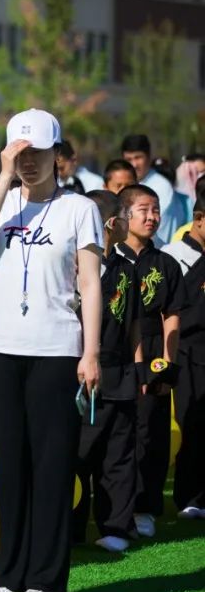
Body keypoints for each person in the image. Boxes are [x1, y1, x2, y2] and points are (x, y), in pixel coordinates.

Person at [0, 108, 103, 592]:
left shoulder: (79, 209)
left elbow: (90, 283)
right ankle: (9, 576)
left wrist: (90, 351)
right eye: (19, 154)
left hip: (56, 350)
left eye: (37, 153)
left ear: (58, 154)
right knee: (9, 467)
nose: (28, 163)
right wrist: (3, 177)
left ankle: (47, 581)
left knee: (50, 469)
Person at [113, 184, 185, 538]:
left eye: (156, 210)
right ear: (124, 214)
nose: (153, 217)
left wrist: (168, 362)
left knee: (152, 430)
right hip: (116, 351)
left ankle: (146, 506)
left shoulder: (165, 263)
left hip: (155, 350)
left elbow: (172, 315)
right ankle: (114, 508)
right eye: (144, 209)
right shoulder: (109, 260)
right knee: (118, 433)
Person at [73, 190, 143, 554]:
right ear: (112, 223)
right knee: (77, 454)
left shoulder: (127, 269)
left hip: (120, 373)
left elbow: (133, 324)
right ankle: (70, 527)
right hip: (77, 373)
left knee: (118, 454)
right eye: (124, 216)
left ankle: (115, 526)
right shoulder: (70, 267)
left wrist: (139, 369)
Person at [162, 188, 205, 518]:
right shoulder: (173, 255)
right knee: (192, 422)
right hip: (187, 352)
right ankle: (190, 496)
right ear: (199, 220)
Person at [122, 134, 188, 243]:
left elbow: (162, 230)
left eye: (138, 157)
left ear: (148, 157)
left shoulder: (162, 186)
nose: (134, 164)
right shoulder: (123, 183)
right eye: (129, 159)